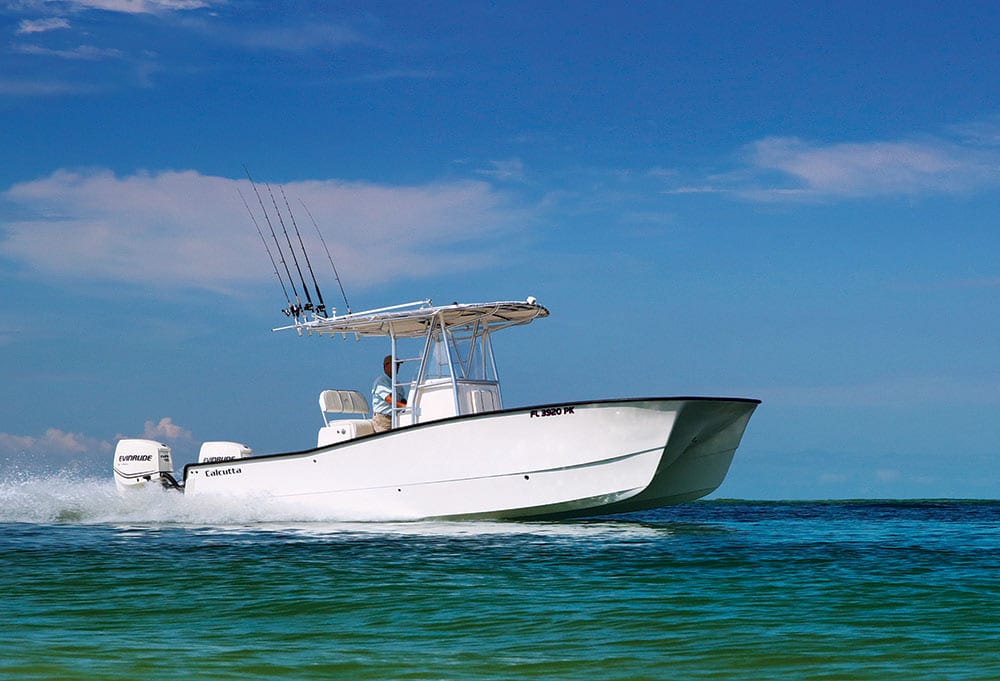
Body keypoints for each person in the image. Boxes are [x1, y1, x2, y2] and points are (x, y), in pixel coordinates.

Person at [371, 354, 407, 432]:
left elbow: (402, 400)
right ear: (386, 366)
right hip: (383, 419)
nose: (398, 367)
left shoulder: (398, 384)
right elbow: (389, 399)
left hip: (395, 418)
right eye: (395, 364)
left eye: (398, 365)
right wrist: (405, 406)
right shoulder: (381, 381)